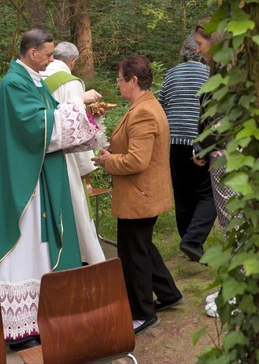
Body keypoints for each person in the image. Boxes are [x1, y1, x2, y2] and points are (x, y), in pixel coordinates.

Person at [0, 29, 103, 351]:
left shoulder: (33, 81)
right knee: (26, 246)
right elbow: (36, 127)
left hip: (39, 179)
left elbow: (52, 123)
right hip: (24, 185)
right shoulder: (13, 84)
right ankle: (19, 328)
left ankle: (38, 316)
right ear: (32, 52)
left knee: (41, 249)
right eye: (48, 55)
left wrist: (86, 114)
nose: (52, 60)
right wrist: (78, 102)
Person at [92, 54, 183, 336]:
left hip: (139, 195)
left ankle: (143, 313)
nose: (118, 85)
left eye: (120, 80)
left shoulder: (144, 111)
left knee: (132, 254)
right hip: (144, 193)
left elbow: (136, 161)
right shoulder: (143, 106)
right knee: (141, 246)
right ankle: (168, 293)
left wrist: (108, 160)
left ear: (133, 80)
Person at [41, 41, 105, 264]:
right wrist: (87, 164)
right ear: (73, 62)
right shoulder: (72, 82)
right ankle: (83, 255)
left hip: (41, 152)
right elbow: (78, 124)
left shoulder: (36, 77)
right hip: (65, 154)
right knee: (75, 205)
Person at [193, 22, 239, 318]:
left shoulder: (229, 80)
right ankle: (234, 284)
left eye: (200, 43)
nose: (197, 49)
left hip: (229, 158)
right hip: (217, 157)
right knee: (227, 223)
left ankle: (240, 293)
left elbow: (223, 123)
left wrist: (203, 146)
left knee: (236, 222)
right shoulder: (216, 75)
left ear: (216, 42)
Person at [159, 34, 217, 262]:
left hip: (174, 142)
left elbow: (162, 105)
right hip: (199, 142)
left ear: (184, 52)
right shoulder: (208, 74)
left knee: (182, 194)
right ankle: (192, 241)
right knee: (206, 193)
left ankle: (188, 241)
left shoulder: (172, 73)